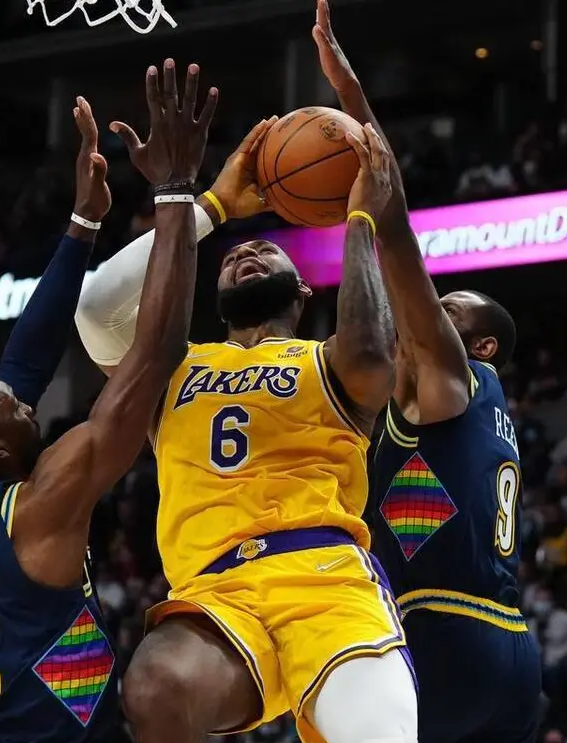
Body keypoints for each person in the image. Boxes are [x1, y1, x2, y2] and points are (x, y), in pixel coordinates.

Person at [76, 78, 417, 743]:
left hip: (325, 579)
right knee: (154, 684)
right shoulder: (173, 366)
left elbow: (374, 352)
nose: (249, 251)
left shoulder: (329, 359)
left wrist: (359, 219)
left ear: (303, 289)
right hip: (215, 593)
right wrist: (210, 208)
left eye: (266, 249)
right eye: (234, 255)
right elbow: (96, 311)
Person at [0, 61, 217, 743]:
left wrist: (83, 223)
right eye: (9, 406)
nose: (24, 401)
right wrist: (176, 192)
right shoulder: (40, 504)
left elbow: (25, 360)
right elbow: (156, 351)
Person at [310, 1, 544, 741]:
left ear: (481, 347)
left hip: (442, 629)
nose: (430, 317)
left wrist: (354, 104)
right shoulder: (481, 406)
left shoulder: (452, 380)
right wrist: (351, 96)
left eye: (448, 313)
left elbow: (399, 237)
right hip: (510, 646)